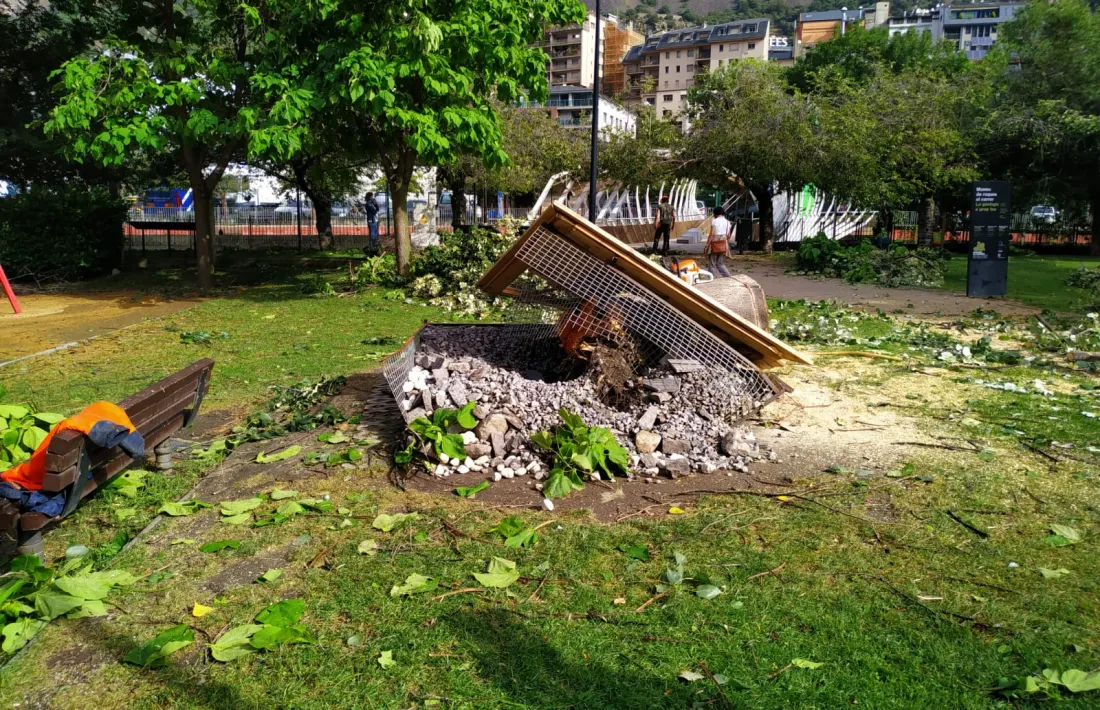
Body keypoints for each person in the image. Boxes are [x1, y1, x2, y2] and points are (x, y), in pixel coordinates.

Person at [704, 206, 733, 278]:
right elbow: (728, 235)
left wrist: (707, 245)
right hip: (723, 243)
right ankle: (728, 276)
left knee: (712, 263)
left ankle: (712, 277)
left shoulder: (714, 221)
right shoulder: (727, 222)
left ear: (715, 213)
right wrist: (726, 244)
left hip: (714, 243)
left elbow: (712, 234)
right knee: (720, 263)